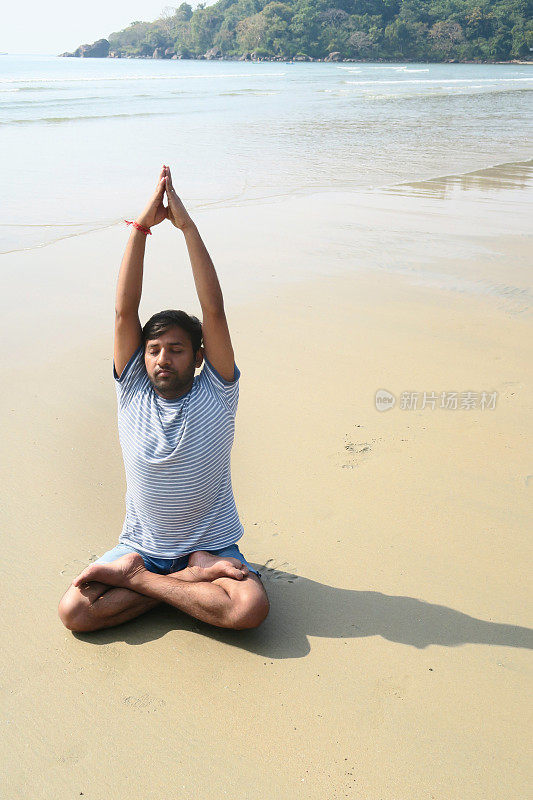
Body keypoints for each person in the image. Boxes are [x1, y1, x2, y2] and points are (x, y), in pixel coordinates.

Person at [58, 165, 270, 633]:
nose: (162, 359)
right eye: (154, 350)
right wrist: (140, 227)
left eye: (175, 350)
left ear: (197, 356)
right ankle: (186, 583)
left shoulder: (217, 391)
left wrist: (186, 227)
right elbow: (123, 310)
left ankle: (154, 582)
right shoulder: (132, 388)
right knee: (74, 612)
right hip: (142, 544)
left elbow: (213, 309)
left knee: (250, 609)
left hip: (210, 543)